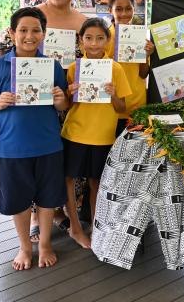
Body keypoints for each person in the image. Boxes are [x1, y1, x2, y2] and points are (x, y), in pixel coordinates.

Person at [0, 7, 69, 270]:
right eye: (23, 30)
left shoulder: (52, 66)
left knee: (49, 198)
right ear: (11, 33)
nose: (30, 36)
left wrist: (62, 101)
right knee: (18, 200)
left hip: (49, 145)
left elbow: (62, 106)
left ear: (44, 34)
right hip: (12, 148)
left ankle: (46, 244)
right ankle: (25, 247)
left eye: (35, 30)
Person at [62, 18, 132, 248]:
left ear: (108, 41)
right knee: (68, 180)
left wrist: (112, 94)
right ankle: (74, 227)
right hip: (74, 132)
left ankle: (96, 226)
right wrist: (70, 93)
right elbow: (67, 106)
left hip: (102, 135)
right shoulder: (74, 68)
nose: (94, 44)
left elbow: (122, 109)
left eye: (100, 38)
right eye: (89, 38)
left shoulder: (115, 69)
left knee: (97, 182)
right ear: (81, 40)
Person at [106, 0, 155, 136]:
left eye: (128, 9)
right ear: (110, 10)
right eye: (118, 9)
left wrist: (146, 55)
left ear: (134, 9)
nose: (124, 14)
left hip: (136, 104)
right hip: (111, 105)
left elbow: (143, 74)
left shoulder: (141, 38)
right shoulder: (104, 38)